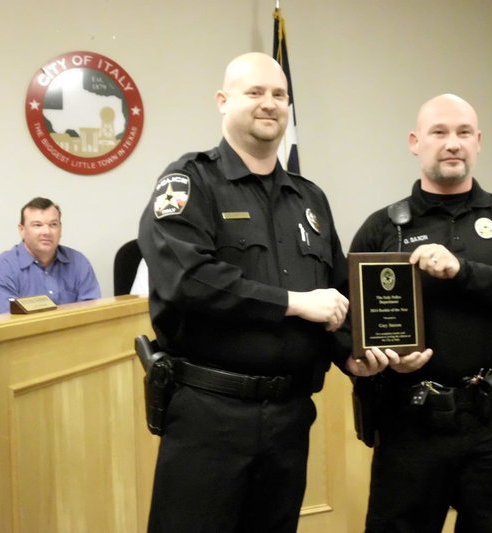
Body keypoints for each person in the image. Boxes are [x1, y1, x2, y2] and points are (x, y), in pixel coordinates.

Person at [137, 52, 380, 533]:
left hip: (289, 415)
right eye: (255, 93)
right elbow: (186, 279)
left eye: (279, 95)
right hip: (210, 412)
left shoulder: (309, 198)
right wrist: (292, 303)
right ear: (223, 101)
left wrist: (349, 354)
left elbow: (332, 293)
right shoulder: (190, 181)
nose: (269, 104)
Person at [349, 94, 492, 533]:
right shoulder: (382, 228)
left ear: (478, 142)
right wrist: (373, 361)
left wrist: (461, 271)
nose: (452, 144)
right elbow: (354, 322)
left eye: (463, 133)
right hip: (409, 427)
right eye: (439, 133)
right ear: (414, 142)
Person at [0, 197, 101, 314]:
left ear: (60, 228)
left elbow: (91, 314)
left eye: (53, 224)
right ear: (22, 230)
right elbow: (3, 323)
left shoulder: (78, 262)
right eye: (37, 225)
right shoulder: (3, 267)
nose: (46, 232)